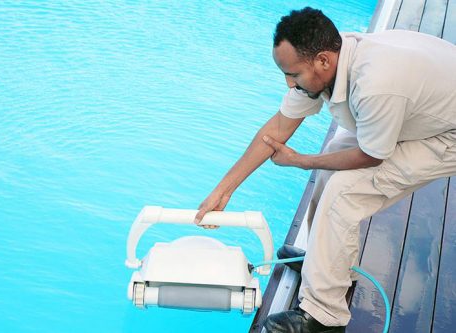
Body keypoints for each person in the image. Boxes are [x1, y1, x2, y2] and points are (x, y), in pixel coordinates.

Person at [194, 6, 456, 333]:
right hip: (427, 107)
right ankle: (327, 264)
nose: (289, 84)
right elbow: (275, 131)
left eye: (293, 74)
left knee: (344, 192)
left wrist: (302, 160)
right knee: (334, 155)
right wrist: (224, 190)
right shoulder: (328, 62)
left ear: (322, 61)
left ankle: (323, 318)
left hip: (447, 135)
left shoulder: (376, 82)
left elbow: (372, 156)